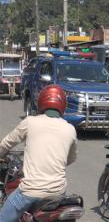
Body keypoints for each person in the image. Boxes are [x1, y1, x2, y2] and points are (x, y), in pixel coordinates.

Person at [0, 85, 77, 222]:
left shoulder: (30, 122)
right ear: (63, 105)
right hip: (58, 193)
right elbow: (70, 159)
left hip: (30, 191)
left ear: (41, 102)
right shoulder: (70, 129)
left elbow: (6, 144)